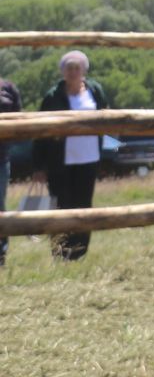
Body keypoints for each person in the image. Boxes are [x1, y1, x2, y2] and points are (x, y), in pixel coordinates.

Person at [31, 51, 111, 261]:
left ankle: (80, 253)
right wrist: (39, 166)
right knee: (61, 206)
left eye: (77, 68)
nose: (73, 72)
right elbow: (40, 132)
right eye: (69, 68)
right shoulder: (53, 95)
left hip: (89, 158)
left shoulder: (95, 91)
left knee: (84, 206)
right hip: (60, 162)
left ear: (84, 70)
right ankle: (60, 254)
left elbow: (106, 117)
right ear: (63, 72)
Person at [0, 70, 20, 268]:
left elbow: (18, 120)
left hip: (0, 157)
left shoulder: (9, 88)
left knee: (0, 206)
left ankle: (1, 255)